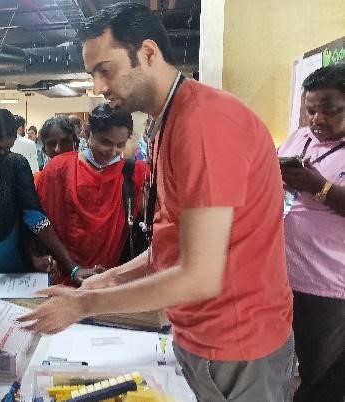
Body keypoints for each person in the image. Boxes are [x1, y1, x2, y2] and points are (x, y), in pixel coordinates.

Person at [18, 4, 294, 402]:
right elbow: (170, 244)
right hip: (200, 334)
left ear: (148, 53)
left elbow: (199, 275)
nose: (97, 87)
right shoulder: (168, 119)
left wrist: (85, 303)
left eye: (104, 70)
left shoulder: (203, 122)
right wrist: (108, 279)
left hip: (237, 343)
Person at [0, 107, 99, 283]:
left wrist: (72, 267)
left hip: (14, 266)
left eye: (7, 149)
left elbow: (34, 216)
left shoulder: (15, 164)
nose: (1, 155)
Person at [278, 64, 345, 402]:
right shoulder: (301, 136)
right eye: (311, 109)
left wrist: (319, 188)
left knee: (323, 377)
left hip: (328, 287)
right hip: (284, 276)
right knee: (287, 364)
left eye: (329, 110)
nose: (318, 119)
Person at [37, 104, 148, 270]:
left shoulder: (134, 174)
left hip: (112, 276)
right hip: (65, 272)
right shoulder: (59, 169)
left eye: (120, 145)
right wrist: (70, 268)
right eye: (105, 142)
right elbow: (41, 221)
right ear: (88, 133)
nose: (112, 151)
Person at [32, 116, 78, 186]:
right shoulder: (38, 181)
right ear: (44, 148)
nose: (57, 149)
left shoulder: (88, 177)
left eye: (64, 142)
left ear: (74, 143)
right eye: (51, 143)